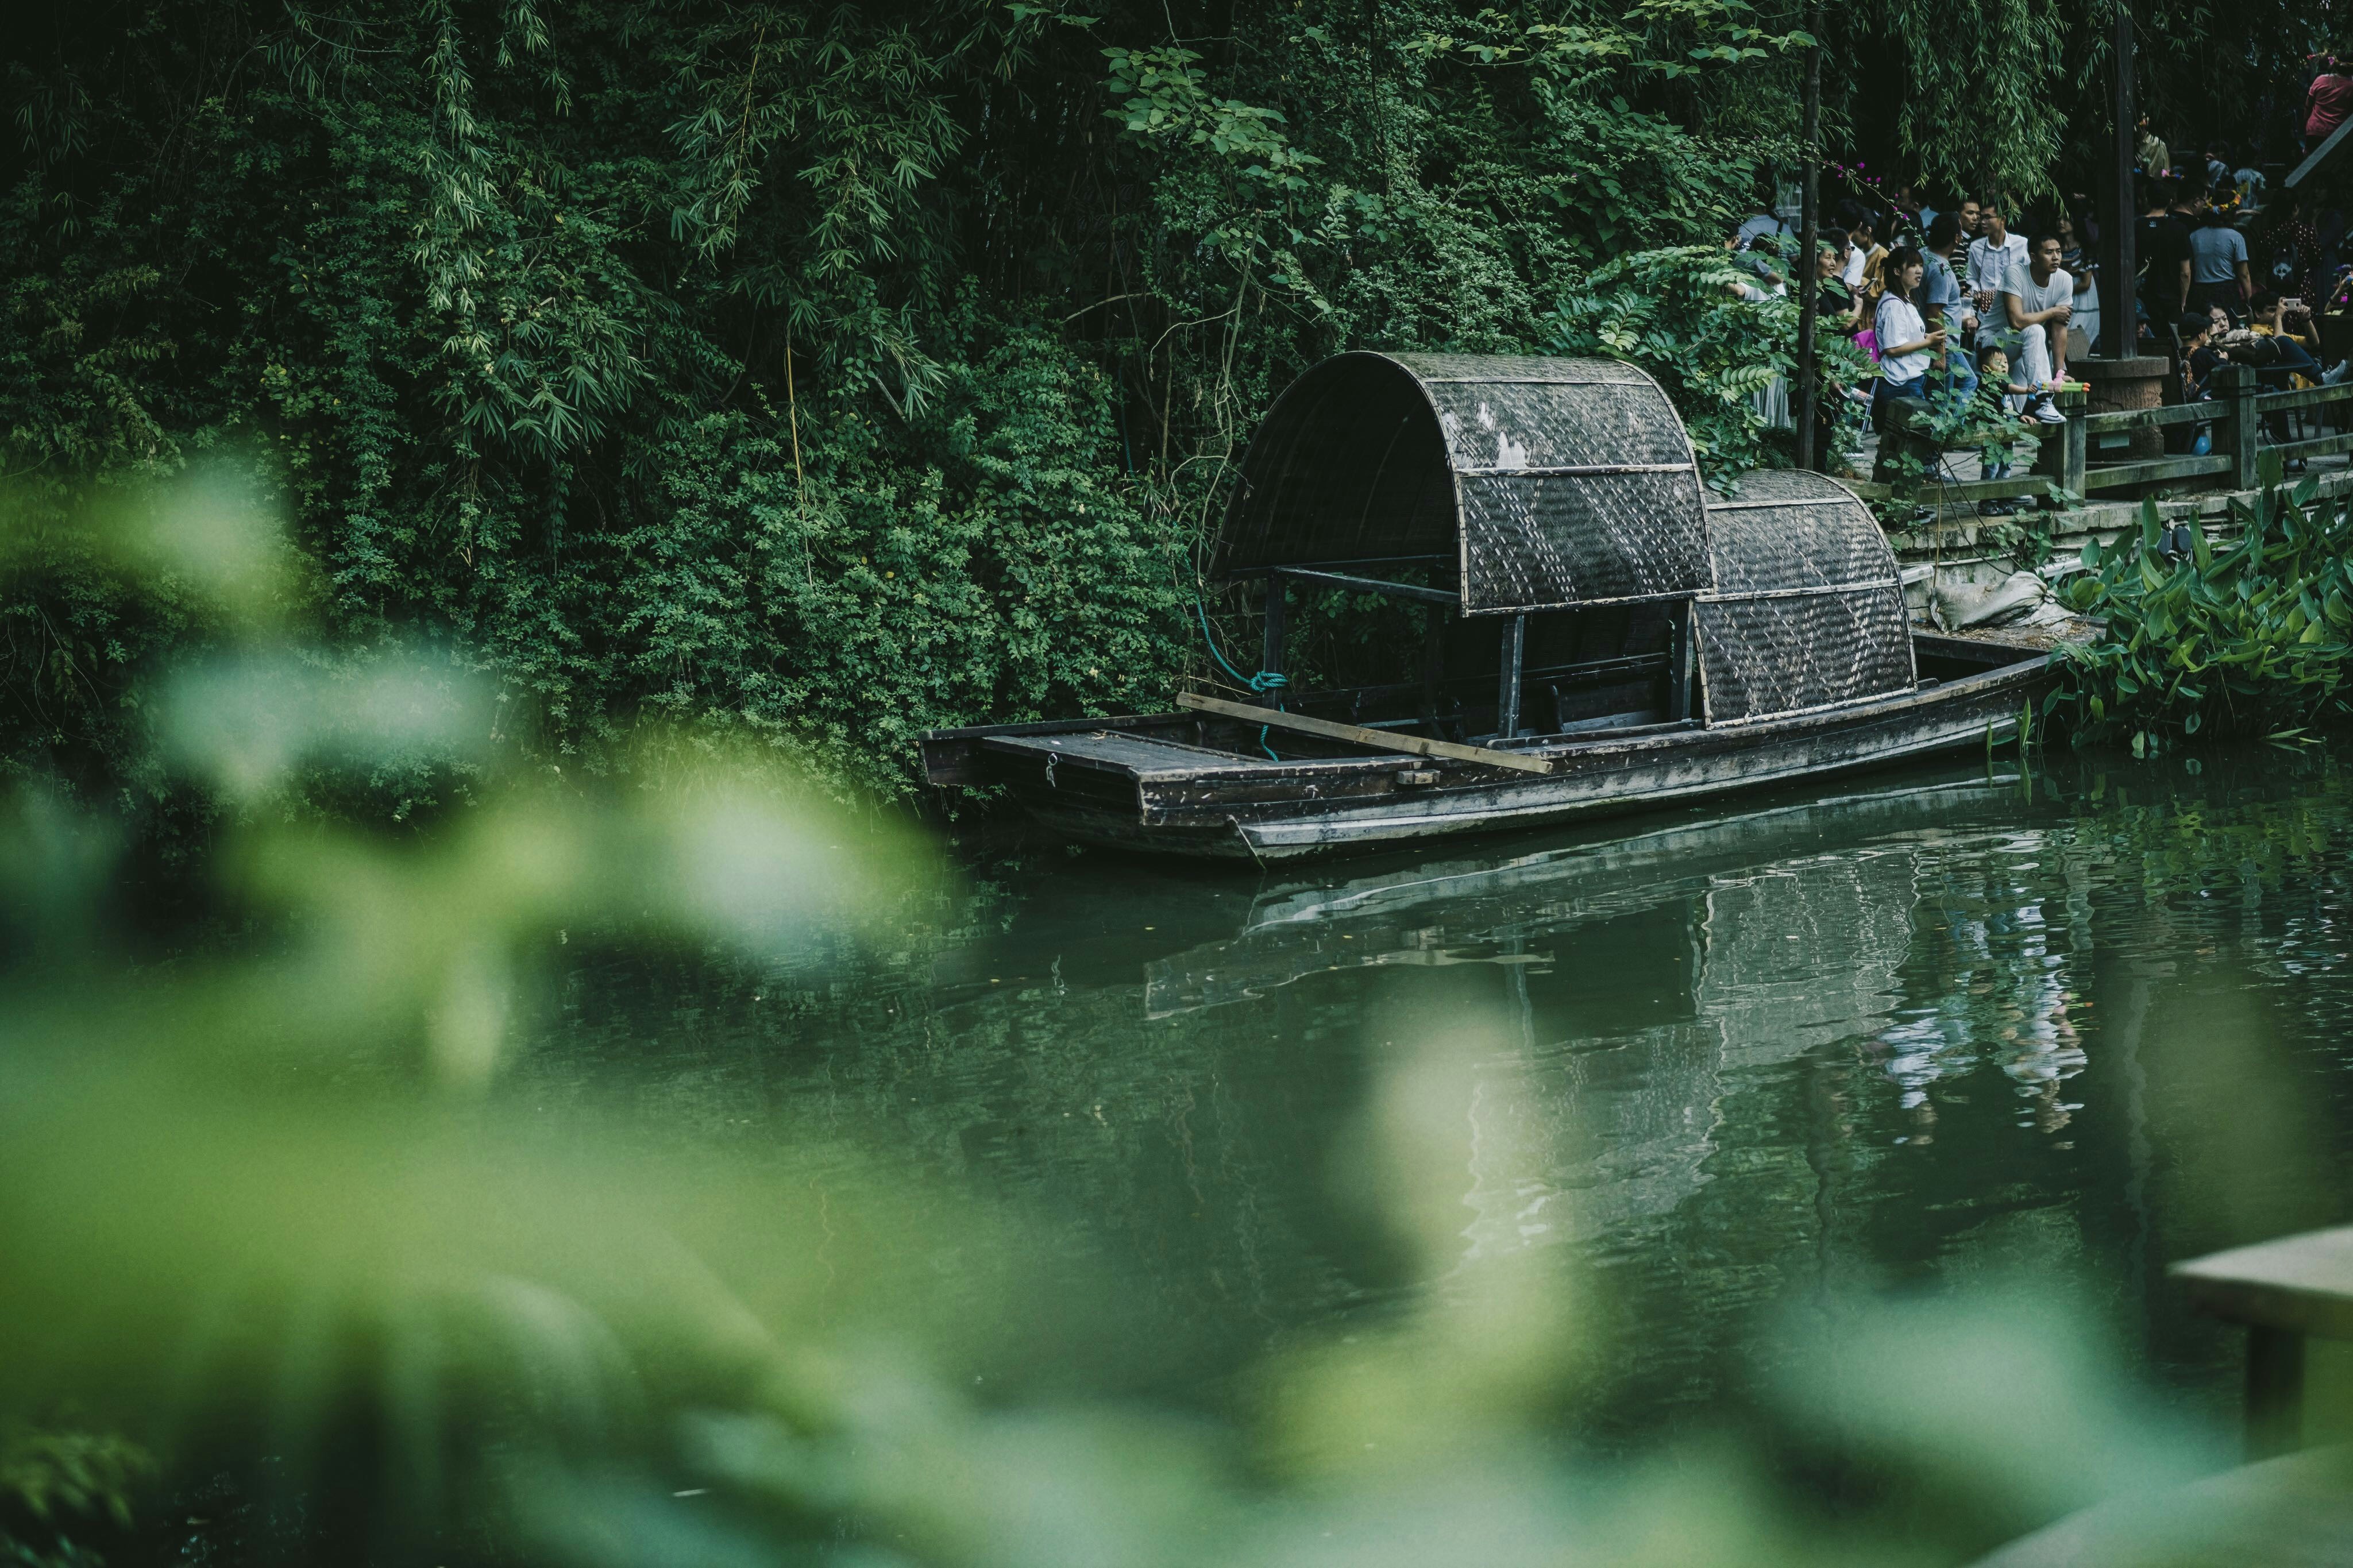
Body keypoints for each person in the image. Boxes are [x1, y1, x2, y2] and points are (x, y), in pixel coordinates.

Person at [1999, 232, 2073, 423]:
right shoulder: (2015, 273)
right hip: (1995, 344)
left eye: (2058, 251)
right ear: (2033, 256)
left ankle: (2040, 404)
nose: (2056, 257)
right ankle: (2043, 399)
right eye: (2049, 252)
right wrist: (2052, 312)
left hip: (2023, 351)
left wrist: (2059, 374)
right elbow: (2016, 322)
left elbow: (2059, 328)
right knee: (2036, 330)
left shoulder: (2064, 280)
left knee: (2021, 417)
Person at [1920, 211, 1978, 403]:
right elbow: (1934, 311)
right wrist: (1940, 353)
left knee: (1968, 381)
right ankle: (1947, 432)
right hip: (1945, 344)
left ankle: (1954, 430)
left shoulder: (1923, 255)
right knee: (1942, 400)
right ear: (1957, 238)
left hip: (1939, 339)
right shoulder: (1940, 270)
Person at [1966, 201, 2029, 351]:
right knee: (1986, 350)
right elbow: (1972, 277)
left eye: (1988, 217)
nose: (1982, 222)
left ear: (2003, 219)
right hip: (1986, 310)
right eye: (1982, 217)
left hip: (2014, 306)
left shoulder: (2022, 244)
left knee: (2015, 346)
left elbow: (2028, 275)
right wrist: (1977, 291)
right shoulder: (1976, 246)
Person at [2137, 179, 2195, 333]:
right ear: (2170, 201)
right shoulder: (2179, 229)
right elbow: (2185, 272)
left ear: (2147, 199)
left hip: (2142, 297)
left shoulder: (2135, 226)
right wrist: (2183, 301)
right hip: (2172, 299)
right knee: (2171, 342)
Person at [2187, 205, 2252, 321]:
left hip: (2200, 291)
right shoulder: (2236, 237)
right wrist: (2250, 301)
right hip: (2227, 291)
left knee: (2205, 329)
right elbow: (2244, 274)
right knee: (2229, 328)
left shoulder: (2194, 236)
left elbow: (2190, 269)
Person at [2057, 210, 2101, 354]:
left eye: (2066, 219)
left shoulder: (2084, 249)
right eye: (2059, 219)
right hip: (2064, 297)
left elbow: (2085, 284)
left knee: (2077, 336)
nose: (2061, 223)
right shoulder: (2057, 248)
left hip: (2083, 299)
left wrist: (2061, 290)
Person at [2309, 56, 2353, 148]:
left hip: (2314, 130)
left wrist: (2306, 128)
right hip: (2338, 134)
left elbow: (2308, 105)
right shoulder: (2351, 86)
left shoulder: (2320, 79)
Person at [2137, 114, 2171, 178]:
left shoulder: (2157, 144)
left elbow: (2157, 175)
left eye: (2141, 127)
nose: (2137, 129)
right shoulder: (2133, 143)